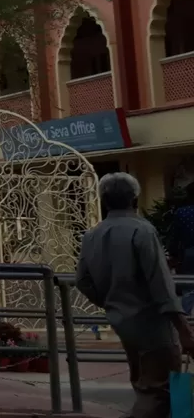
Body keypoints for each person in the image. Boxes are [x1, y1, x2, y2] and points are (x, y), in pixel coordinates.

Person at [76, 172, 194, 418]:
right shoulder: (142, 230)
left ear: (104, 201)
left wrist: (110, 301)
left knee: (144, 385)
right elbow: (161, 285)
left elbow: (83, 281)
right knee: (158, 392)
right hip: (153, 324)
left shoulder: (92, 235)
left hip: (123, 321)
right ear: (135, 199)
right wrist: (184, 330)